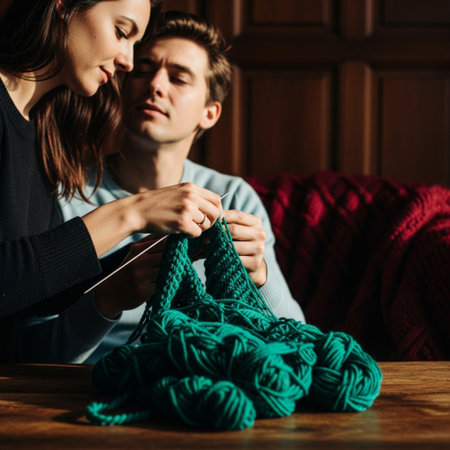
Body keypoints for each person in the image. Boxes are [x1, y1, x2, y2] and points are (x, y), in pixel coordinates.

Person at [9, 11, 305, 364]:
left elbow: (294, 336)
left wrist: (261, 278)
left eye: (178, 78)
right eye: (145, 70)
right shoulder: (65, 187)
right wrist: (107, 300)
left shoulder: (233, 195)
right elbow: (24, 349)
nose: (155, 85)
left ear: (209, 113)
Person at [0, 1, 227, 361]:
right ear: (62, 6)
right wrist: (132, 213)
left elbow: (30, 295)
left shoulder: (43, 133)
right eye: (122, 32)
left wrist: (131, 267)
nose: (128, 61)